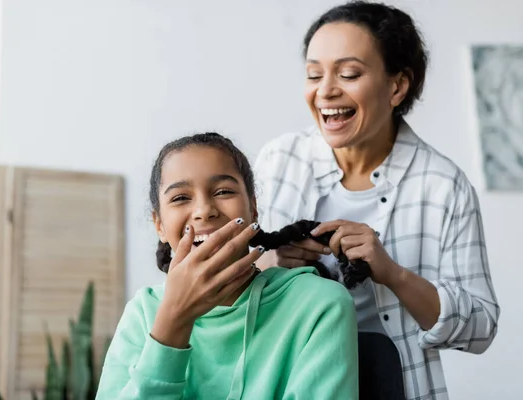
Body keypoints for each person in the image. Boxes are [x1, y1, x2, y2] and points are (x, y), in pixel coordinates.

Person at [253, 2, 500, 399]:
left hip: (389, 384)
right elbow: (230, 287)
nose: (326, 90)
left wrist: (393, 274)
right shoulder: (277, 160)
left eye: (348, 73)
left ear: (397, 86)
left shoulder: (443, 186)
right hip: (285, 379)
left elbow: (480, 326)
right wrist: (270, 263)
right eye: (314, 74)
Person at [95, 132, 359, 399]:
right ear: (159, 225)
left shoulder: (319, 305)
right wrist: (174, 320)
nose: (204, 210)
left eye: (223, 191)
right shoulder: (143, 313)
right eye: (180, 198)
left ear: (253, 208)